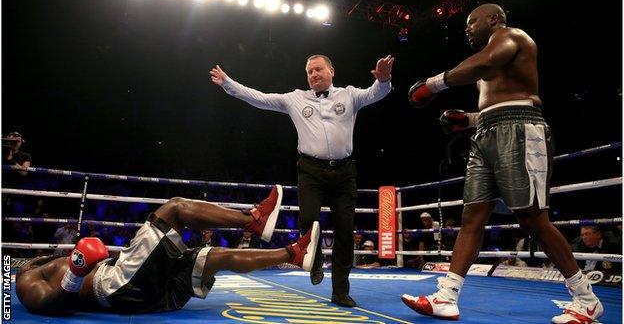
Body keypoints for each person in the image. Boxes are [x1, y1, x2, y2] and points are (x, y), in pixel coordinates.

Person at [402, 3, 604, 323]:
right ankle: (446, 297)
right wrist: (466, 120)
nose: (467, 28)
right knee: (472, 214)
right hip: (486, 134)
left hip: (521, 128)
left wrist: (434, 83)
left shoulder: (512, 37)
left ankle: (586, 298)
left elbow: (489, 61)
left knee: (533, 219)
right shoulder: (483, 71)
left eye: (472, 22)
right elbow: (494, 104)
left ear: (494, 19)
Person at [210, 54, 394, 307]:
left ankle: (340, 291)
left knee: (344, 232)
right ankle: (314, 259)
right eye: (309, 72)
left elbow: (375, 94)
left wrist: (384, 80)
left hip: (344, 172)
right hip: (310, 170)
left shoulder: (349, 95)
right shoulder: (295, 98)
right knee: (308, 219)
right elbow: (260, 98)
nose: (314, 75)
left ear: (332, 71)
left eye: (318, 69)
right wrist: (228, 83)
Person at [16, 185, 320, 315]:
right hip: (116, 290)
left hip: (144, 295)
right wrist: (75, 272)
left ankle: (293, 254)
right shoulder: (25, 282)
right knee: (174, 208)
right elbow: (47, 306)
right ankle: (253, 221)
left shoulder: (47, 262)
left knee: (212, 257)